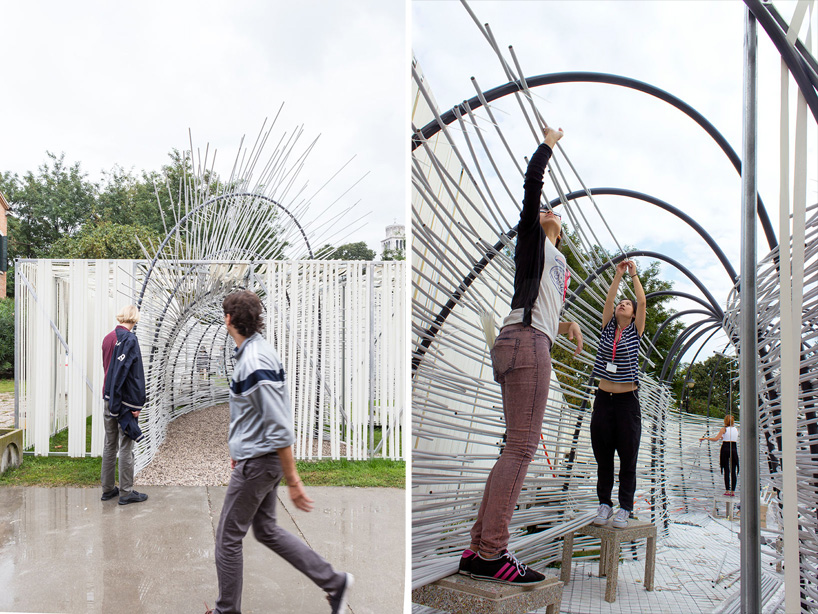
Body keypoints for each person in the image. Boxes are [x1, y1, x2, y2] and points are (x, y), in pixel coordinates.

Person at [459, 126, 583, 585]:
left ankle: (477, 551)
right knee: (522, 448)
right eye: (546, 210)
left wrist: (568, 324)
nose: (550, 210)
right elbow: (532, 188)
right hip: (526, 341)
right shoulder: (532, 242)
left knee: (514, 447)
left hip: (530, 337)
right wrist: (548, 144)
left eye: (556, 215)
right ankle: (493, 553)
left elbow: (553, 305)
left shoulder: (560, 267)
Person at [207, 290, 352, 614]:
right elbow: (255, 415)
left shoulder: (255, 361)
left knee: (227, 539)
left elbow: (279, 426)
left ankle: (226, 611)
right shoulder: (252, 353)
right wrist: (240, 446)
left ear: (228, 319)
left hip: (259, 464)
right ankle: (334, 582)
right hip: (257, 458)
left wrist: (293, 479)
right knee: (267, 530)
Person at [589, 259, 646, 528]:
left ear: (633, 315)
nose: (623, 304)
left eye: (627, 304)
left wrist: (633, 275)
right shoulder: (607, 327)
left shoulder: (635, 331)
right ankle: (604, 504)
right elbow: (610, 299)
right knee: (603, 456)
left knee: (627, 457)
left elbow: (643, 303)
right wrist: (617, 275)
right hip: (603, 399)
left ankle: (625, 507)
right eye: (620, 304)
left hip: (627, 402)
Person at [100, 305, 149, 505]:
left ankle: (108, 489)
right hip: (123, 401)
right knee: (126, 445)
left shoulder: (107, 339)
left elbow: (108, 369)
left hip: (108, 398)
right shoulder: (129, 339)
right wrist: (135, 404)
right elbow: (132, 375)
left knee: (110, 444)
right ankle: (127, 491)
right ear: (134, 318)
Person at [700, 415, 739, 496]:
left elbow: (715, 439)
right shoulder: (736, 429)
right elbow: (730, 437)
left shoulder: (723, 429)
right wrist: (723, 437)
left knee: (726, 469)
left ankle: (727, 490)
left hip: (725, 448)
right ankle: (733, 491)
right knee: (733, 470)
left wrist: (706, 438)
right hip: (734, 448)